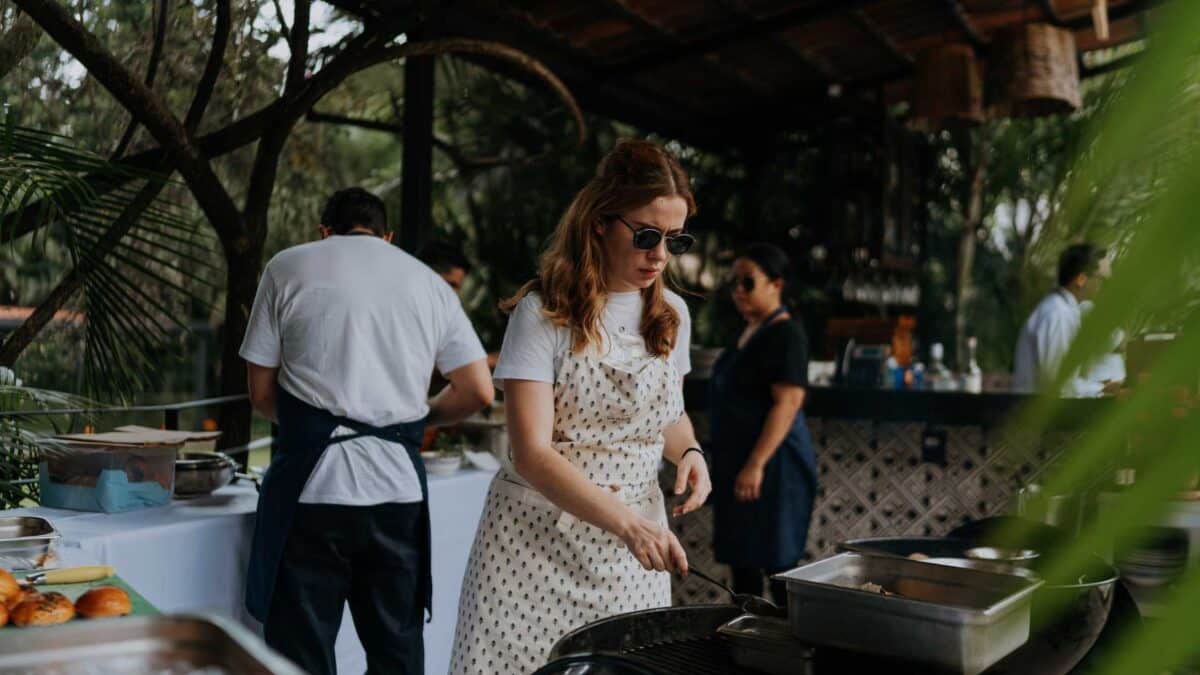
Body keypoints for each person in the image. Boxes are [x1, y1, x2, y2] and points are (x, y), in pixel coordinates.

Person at [448, 139, 712, 674]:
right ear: (598, 222)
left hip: (626, 560)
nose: (659, 255)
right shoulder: (542, 314)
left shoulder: (673, 314)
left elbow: (668, 415)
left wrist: (690, 451)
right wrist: (630, 526)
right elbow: (531, 453)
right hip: (531, 552)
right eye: (645, 236)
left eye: (674, 240)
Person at [239, 187, 494, 675]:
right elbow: (478, 390)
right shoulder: (429, 282)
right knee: (395, 654)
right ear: (387, 236)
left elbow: (261, 394)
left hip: (311, 496)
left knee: (301, 656)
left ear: (323, 231)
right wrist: (413, 425)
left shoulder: (286, 267)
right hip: (396, 495)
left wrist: (315, 431)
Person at [708, 243, 816, 605]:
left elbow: (788, 404)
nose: (738, 290)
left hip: (773, 468)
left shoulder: (786, 335)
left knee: (778, 567)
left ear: (776, 285)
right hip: (740, 464)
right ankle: (747, 645)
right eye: (735, 282)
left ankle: (785, 655)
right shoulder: (750, 331)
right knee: (743, 566)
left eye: (748, 282)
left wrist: (756, 464)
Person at [1013, 243, 1113, 397]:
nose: (1103, 287)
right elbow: (1057, 385)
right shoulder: (1057, 314)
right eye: (1101, 279)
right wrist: (1099, 390)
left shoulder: (1062, 310)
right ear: (1081, 279)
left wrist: (1100, 387)